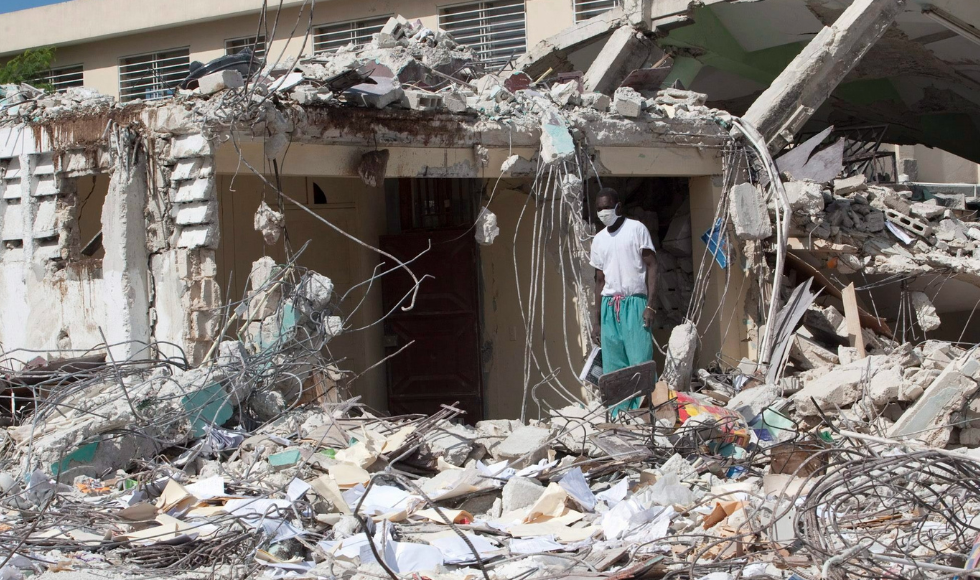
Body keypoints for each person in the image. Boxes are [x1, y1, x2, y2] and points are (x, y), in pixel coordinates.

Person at [589, 187, 659, 378]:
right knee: (613, 365)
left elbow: (652, 266)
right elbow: (599, 281)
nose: (603, 212)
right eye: (599, 209)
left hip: (634, 303)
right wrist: (597, 322)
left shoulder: (636, 229)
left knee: (639, 361)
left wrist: (650, 306)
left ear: (618, 207)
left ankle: (643, 406)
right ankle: (619, 408)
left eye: (607, 207)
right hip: (609, 307)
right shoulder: (598, 240)